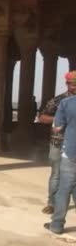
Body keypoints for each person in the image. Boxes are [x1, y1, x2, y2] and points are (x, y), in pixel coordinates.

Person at [39, 72, 76, 214]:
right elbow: (42, 117)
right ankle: (52, 203)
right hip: (58, 142)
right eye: (73, 85)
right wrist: (60, 118)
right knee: (56, 174)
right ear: (67, 84)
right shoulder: (58, 100)